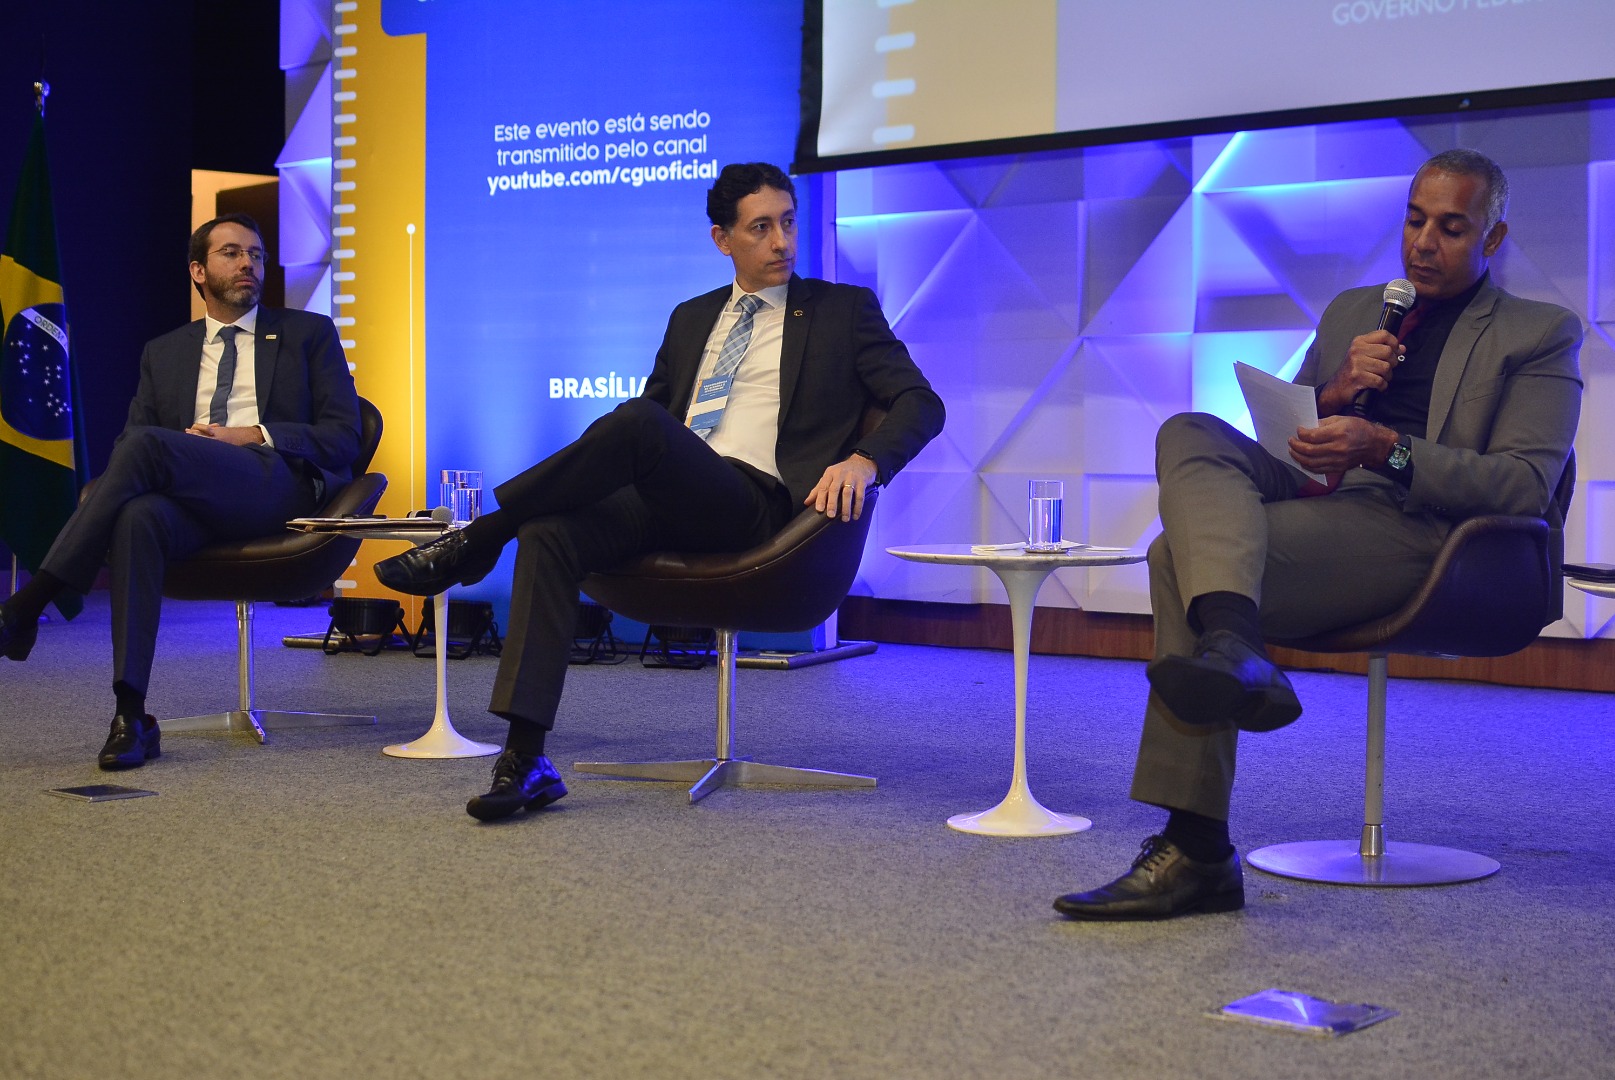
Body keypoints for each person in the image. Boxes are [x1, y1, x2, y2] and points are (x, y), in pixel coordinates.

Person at [1054, 149, 1582, 920]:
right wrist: (1333, 394)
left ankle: (1197, 846)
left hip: (1428, 536)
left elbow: (1524, 485)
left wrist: (1384, 447)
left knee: (1173, 555)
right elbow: (1285, 441)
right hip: (1318, 494)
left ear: (1492, 239)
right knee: (1188, 431)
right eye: (1413, 220)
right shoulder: (1351, 311)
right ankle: (1234, 646)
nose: (1422, 243)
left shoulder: (1537, 332)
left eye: (1449, 228)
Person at [374, 162, 945, 822]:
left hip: (757, 509)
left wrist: (866, 460)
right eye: (761, 228)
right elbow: (643, 435)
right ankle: (526, 760)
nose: (782, 242)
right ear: (722, 239)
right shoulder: (691, 317)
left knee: (639, 424)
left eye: (788, 223)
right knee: (550, 532)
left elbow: (920, 402)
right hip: (669, 497)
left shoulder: (842, 311)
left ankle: (479, 537)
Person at [0, 213, 362, 770]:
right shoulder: (164, 351)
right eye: (231, 253)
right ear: (198, 270)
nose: (247, 263)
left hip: (274, 486)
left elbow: (344, 436)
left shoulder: (308, 333)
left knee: (148, 447)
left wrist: (250, 435)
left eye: (256, 254)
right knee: (138, 516)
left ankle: (30, 602)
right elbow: (131, 446)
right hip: (193, 502)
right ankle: (131, 716)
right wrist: (187, 453)